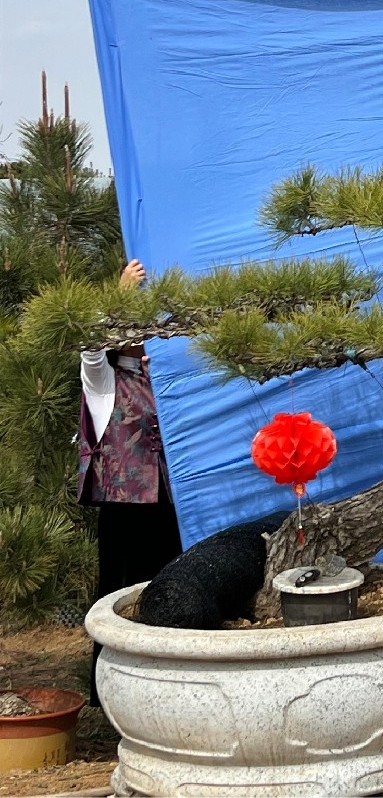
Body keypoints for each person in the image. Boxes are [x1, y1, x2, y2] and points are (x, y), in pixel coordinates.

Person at [79, 258, 182, 706]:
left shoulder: (172, 383)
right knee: (119, 593)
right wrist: (119, 295)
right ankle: (112, 690)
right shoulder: (105, 383)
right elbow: (88, 349)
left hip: (169, 503)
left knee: (170, 588)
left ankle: (165, 685)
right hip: (125, 504)